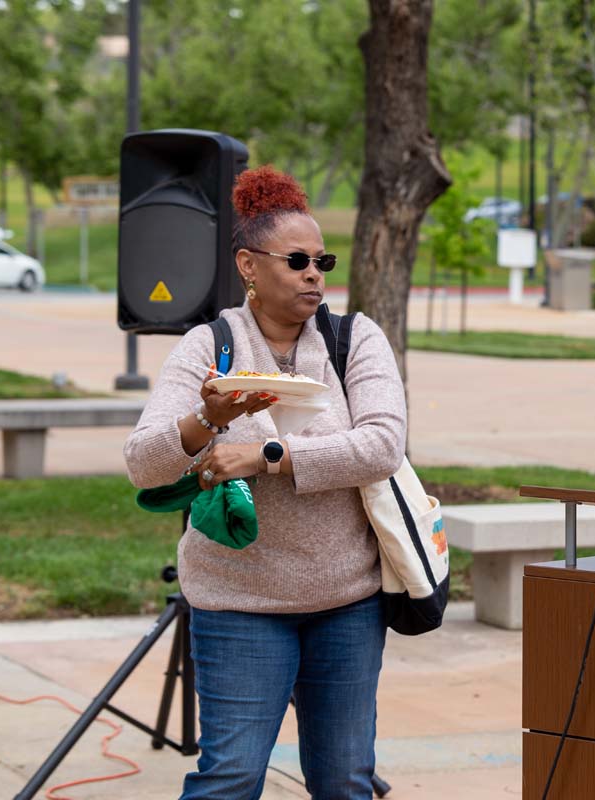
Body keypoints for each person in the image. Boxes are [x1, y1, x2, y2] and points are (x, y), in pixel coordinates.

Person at [124, 165, 406, 799]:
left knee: (343, 781)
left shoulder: (354, 339)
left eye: (322, 260)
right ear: (249, 266)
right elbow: (144, 461)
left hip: (348, 599)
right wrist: (206, 420)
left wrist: (266, 454)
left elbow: (383, 445)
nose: (315, 273)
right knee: (231, 777)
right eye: (297, 260)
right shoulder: (210, 346)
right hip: (238, 602)